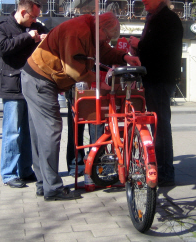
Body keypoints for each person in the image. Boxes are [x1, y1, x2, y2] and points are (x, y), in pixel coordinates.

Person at [21, 12, 141, 201]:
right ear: (100, 28)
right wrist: (99, 83)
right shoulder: (77, 31)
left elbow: (103, 50)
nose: (108, 41)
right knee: (50, 130)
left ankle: (44, 184)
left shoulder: (92, 30)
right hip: (39, 79)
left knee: (40, 134)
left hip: (36, 78)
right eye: (108, 36)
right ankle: (53, 189)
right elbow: (73, 69)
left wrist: (124, 57)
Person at [129, 0, 183, 187]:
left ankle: (165, 171)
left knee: (160, 125)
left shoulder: (166, 19)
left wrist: (138, 44)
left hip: (160, 79)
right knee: (158, 124)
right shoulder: (157, 18)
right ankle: (161, 168)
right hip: (156, 78)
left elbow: (160, 50)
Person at [0, 0, 47, 188]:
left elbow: (49, 37)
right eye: (33, 17)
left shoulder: (36, 27)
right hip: (12, 86)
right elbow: (2, 48)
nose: (35, 21)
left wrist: (45, 38)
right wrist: (28, 37)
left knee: (27, 132)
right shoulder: (1, 26)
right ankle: (9, 173)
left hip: (31, 85)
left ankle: (25, 170)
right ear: (23, 12)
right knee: (13, 131)